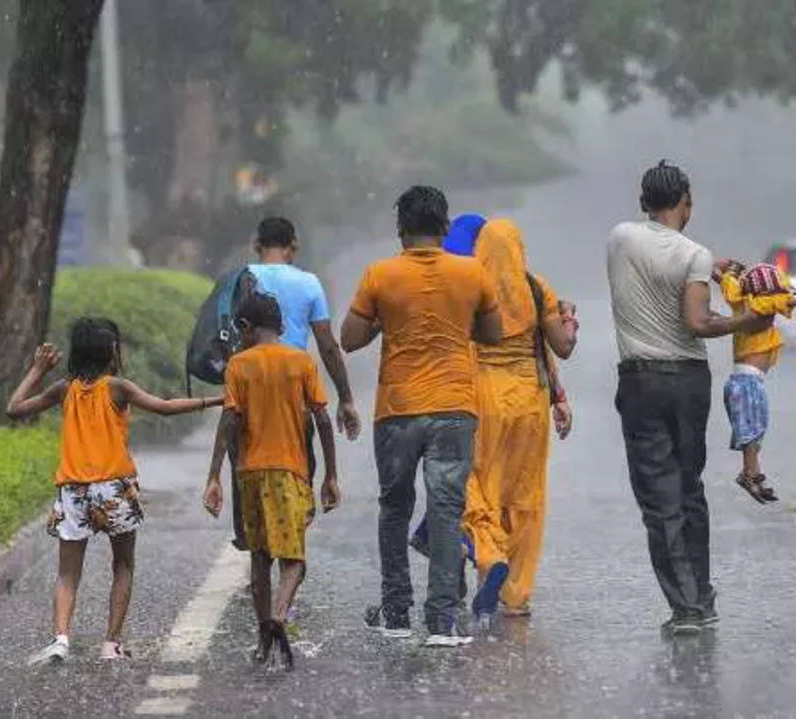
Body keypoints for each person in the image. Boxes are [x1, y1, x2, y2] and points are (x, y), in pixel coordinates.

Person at [605, 160, 773, 636]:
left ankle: (687, 606)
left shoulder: (619, 238)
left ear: (643, 204)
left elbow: (658, 266)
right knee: (688, 488)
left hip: (640, 381)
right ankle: (701, 592)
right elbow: (699, 323)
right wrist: (749, 321)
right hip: (687, 382)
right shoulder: (695, 255)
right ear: (687, 203)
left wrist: (705, 268)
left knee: (659, 498)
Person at [340, 185, 502, 648]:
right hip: (454, 408)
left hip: (397, 411)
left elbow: (350, 338)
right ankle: (442, 621)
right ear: (445, 227)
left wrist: (386, 317)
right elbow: (491, 333)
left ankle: (395, 611)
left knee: (394, 508)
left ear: (401, 231)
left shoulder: (380, 275)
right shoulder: (472, 273)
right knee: (447, 511)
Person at [6, 319, 222, 665]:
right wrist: (217, 400)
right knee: (122, 565)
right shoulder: (118, 388)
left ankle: (60, 638)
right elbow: (164, 407)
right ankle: (111, 644)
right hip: (113, 488)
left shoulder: (64, 389)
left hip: (72, 490)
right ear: (111, 353)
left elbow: (14, 409)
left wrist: (36, 371)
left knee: (67, 572)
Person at [202, 293, 339, 670]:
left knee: (260, 557)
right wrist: (330, 475)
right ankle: (279, 614)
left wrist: (215, 475)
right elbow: (323, 421)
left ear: (245, 327)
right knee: (293, 560)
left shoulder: (238, 366)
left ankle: (264, 633)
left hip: (250, 473)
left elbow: (229, 422)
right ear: (279, 326)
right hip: (290, 473)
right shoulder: (301, 362)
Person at [460, 218, 578, 625]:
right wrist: (570, 320)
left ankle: (489, 555)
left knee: (476, 481)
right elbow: (558, 347)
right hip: (530, 399)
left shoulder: (470, 284)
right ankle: (516, 596)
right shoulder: (535, 286)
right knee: (525, 495)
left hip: (483, 396)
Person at [220, 217, 358, 552]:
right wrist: (346, 397)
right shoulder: (309, 283)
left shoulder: (243, 278)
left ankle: (251, 538)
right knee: (296, 466)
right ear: (293, 245)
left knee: (245, 463)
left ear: (257, 244)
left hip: (249, 389)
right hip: (293, 392)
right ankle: (289, 540)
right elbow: (327, 344)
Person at [717, 261, 796, 504]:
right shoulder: (759, 305)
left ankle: (752, 473)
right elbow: (779, 301)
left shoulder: (740, 303)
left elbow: (729, 286)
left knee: (754, 430)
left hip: (745, 381)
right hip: (747, 382)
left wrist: (725, 272)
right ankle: (750, 474)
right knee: (753, 430)